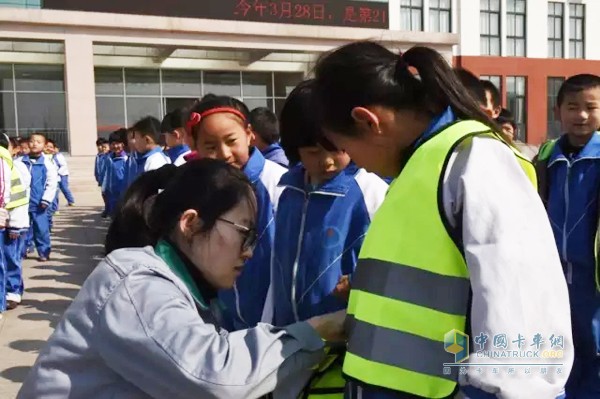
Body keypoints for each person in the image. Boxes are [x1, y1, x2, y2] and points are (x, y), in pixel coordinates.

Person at [311, 42, 573, 399]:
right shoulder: (420, 167)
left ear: (367, 121)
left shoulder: (474, 160)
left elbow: (520, 308)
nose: (356, 163)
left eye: (346, 148)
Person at [19, 159, 345, 399]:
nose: (249, 252)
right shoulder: (136, 284)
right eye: (244, 233)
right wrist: (317, 331)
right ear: (190, 223)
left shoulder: (189, 291)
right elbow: (212, 376)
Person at [271, 79, 388, 326]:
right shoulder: (287, 193)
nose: (327, 162)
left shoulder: (370, 191)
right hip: (290, 333)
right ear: (295, 149)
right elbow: (277, 266)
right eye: (313, 152)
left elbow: (392, 262)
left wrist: (356, 285)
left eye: (337, 150)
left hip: (344, 334)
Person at [186, 95, 287, 331]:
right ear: (196, 147)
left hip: (269, 323)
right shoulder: (199, 187)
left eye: (231, 141)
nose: (223, 153)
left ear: (249, 133)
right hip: (221, 317)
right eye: (210, 147)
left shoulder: (279, 184)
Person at [534, 74, 600, 399]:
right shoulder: (545, 159)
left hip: (594, 286)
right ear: (558, 109)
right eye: (573, 107)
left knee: (594, 358)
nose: (582, 115)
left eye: (591, 107)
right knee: (555, 358)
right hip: (552, 284)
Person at [2, 135, 30, 310]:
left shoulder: (16, 167)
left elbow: (20, 197)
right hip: (4, 221)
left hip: (12, 223)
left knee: (11, 258)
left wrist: (16, 225)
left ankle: (14, 292)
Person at [21, 133, 58, 262]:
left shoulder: (47, 163)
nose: (34, 144)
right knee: (22, 228)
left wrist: (46, 199)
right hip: (23, 202)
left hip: (39, 203)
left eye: (38, 142)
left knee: (41, 229)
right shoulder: (20, 162)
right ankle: (23, 250)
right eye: (32, 141)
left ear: (44, 145)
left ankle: (44, 251)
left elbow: (52, 183)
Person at [103, 129, 129, 217]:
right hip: (111, 193)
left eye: (117, 143)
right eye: (112, 144)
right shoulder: (108, 158)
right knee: (113, 216)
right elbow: (106, 174)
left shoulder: (127, 159)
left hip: (122, 194)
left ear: (123, 144)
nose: (115, 146)